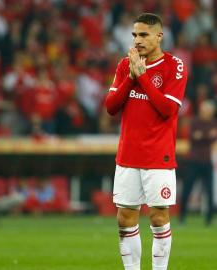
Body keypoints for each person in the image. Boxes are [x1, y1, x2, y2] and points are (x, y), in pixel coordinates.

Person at [105, 13, 188, 270]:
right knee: (125, 216)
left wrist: (141, 77)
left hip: (158, 156)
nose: (137, 40)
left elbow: (167, 110)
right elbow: (110, 107)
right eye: (134, 35)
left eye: (143, 35)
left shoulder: (175, 66)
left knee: (158, 215)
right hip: (128, 154)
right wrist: (132, 75)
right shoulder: (125, 65)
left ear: (159, 36)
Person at [180, 99, 216, 226]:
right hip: (193, 161)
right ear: (202, 111)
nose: (207, 113)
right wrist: (208, 136)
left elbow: (202, 137)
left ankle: (209, 219)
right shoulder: (195, 122)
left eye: (210, 111)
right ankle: (182, 216)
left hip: (206, 161)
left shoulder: (213, 123)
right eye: (206, 111)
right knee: (187, 189)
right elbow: (193, 137)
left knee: (210, 191)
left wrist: (202, 136)